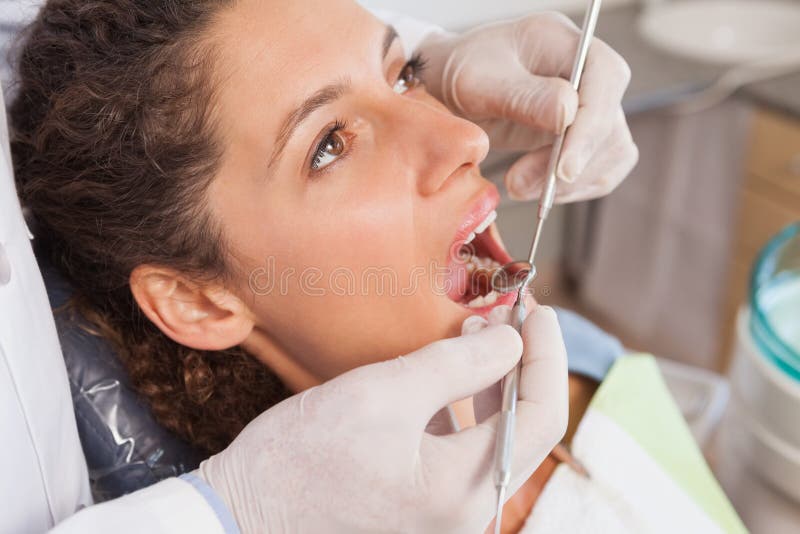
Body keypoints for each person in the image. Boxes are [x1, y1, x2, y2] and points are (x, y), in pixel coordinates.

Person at [1, 1, 635, 533]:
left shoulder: (593, 380)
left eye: (406, 74)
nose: (466, 139)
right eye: (330, 145)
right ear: (200, 301)